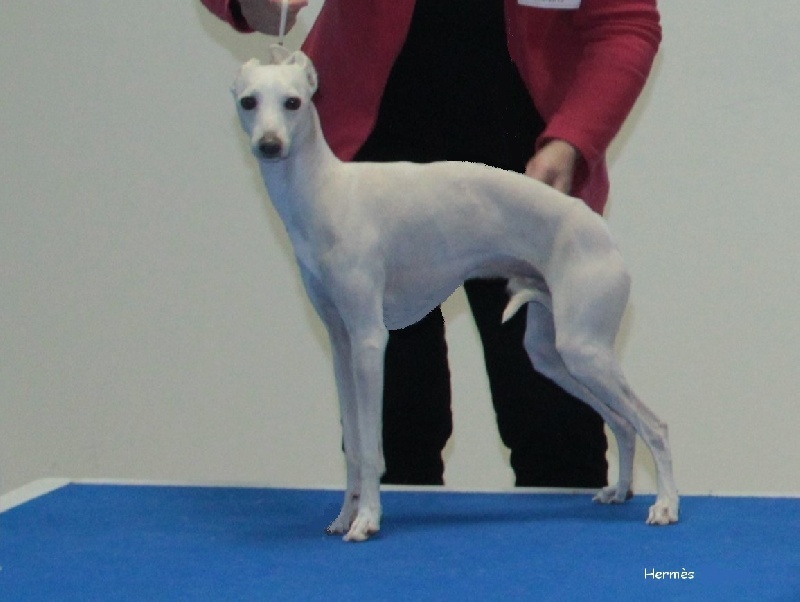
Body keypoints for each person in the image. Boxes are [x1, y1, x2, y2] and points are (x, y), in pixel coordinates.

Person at [202, 0, 662, 488]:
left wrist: (573, 138)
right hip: (370, 154)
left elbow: (625, 21)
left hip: (527, 154)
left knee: (555, 422)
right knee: (395, 424)